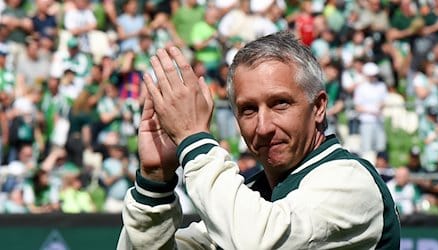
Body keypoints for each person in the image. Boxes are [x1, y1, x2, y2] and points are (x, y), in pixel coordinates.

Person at [117, 31, 400, 249]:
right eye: (248, 110)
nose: (263, 127)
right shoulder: (247, 198)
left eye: (280, 104)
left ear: (318, 107)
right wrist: (154, 181)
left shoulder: (351, 182)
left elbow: (259, 242)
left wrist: (193, 140)